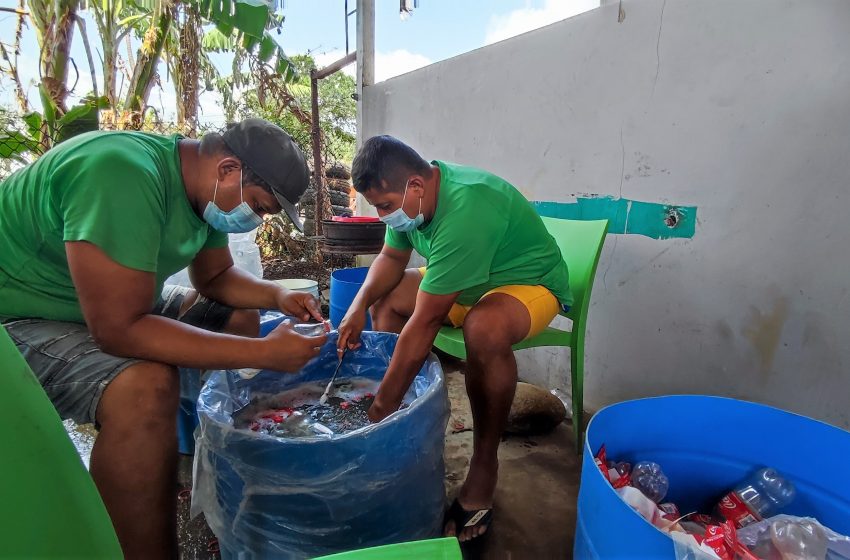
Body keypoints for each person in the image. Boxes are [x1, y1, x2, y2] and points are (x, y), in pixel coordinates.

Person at [0, 118, 326, 558]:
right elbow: (119, 330)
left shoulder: (201, 191)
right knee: (146, 387)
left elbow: (215, 278)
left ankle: (188, 457)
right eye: (258, 206)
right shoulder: (119, 172)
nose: (255, 219)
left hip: (106, 301)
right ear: (228, 169)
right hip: (21, 315)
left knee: (238, 315)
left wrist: (277, 295)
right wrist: (265, 354)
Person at [337, 135, 573, 543]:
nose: (382, 216)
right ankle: (401, 423)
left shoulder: (467, 208)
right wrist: (358, 305)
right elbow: (392, 259)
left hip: (525, 283)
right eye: (376, 207)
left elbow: (426, 321)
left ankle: (483, 467)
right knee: (388, 299)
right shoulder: (410, 201)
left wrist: (375, 412)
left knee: (483, 329)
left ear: (415, 186)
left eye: (386, 206)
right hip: (465, 280)